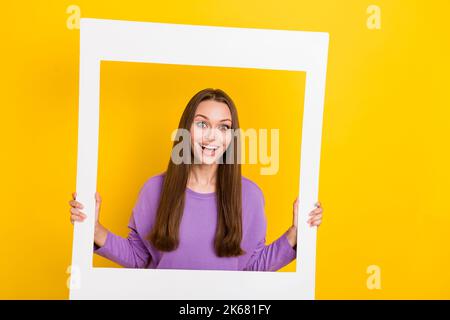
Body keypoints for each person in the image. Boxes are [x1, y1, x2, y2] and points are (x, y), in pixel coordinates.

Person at [68, 88, 324, 271]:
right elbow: (141, 259)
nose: (212, 136)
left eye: (224, 127)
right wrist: (94, 229)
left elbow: (252, 268)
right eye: (202, 124)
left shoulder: (250, 196)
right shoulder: (154, 190)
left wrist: (295, 234)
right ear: (185, 131)